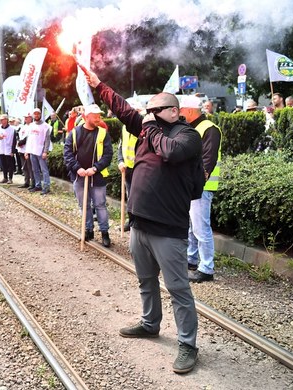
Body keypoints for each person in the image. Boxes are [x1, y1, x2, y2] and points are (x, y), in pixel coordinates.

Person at [81, 64, 205, 374]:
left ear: (173, 112)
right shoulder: (150, 128)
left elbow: (171, 154)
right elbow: (123, 110)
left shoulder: (186, 136)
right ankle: (151, 324)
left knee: (178, 289)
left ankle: (188, 344)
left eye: (154, 110)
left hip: (168, 230)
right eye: (146, 111)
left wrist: (148, 126)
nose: (146, 114)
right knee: (146, 281)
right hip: (141, 224)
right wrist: (99, 85)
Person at [179, 96, 222, 283]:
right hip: (191, 184)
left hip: (202, 186)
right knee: (191, 226)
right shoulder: (192, 128)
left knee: (200, 227)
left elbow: (208, 159)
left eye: (181, 111)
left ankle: (206, 268)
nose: (179, 114)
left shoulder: (210, 129)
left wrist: (197, 181)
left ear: (189, 111)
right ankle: (191, 258)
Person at [63, 103, 113, 247]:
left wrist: (96, 168)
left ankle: (105, 233)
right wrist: (77, 168)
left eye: (99, 116)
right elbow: (67, 153)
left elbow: (108, 155)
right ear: (86, 117)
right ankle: (88, 230)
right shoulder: (74, 133)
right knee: (84, 205)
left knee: (100, 205)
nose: (98, 119)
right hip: (79, 176)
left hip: (97, 176)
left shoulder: (103, 133)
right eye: (95, 116)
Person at [25, 108, 53, 195]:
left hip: (41, 151)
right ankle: (38, 185)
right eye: (35, 114)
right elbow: (29, 139)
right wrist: (27, 151)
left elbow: (47, 140)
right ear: (33, 115)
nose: (36, 115)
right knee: (35, 169)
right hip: (32, 151)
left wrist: (45, 151)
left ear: (40, 115)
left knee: (44, 170)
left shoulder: (45, 126)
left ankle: (46, 186)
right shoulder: (31, 126)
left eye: (38, 114)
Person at [0, 114, 16, 184]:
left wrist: (13, 151)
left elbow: (14, 140)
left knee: (10, 164)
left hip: (8, 148)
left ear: (6, 120)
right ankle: (5, 177)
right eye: (0, 120)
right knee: (3, 164)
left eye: (2, 119)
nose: (1, 121)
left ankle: (10, 178)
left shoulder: (12, 129)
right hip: (1, 148)